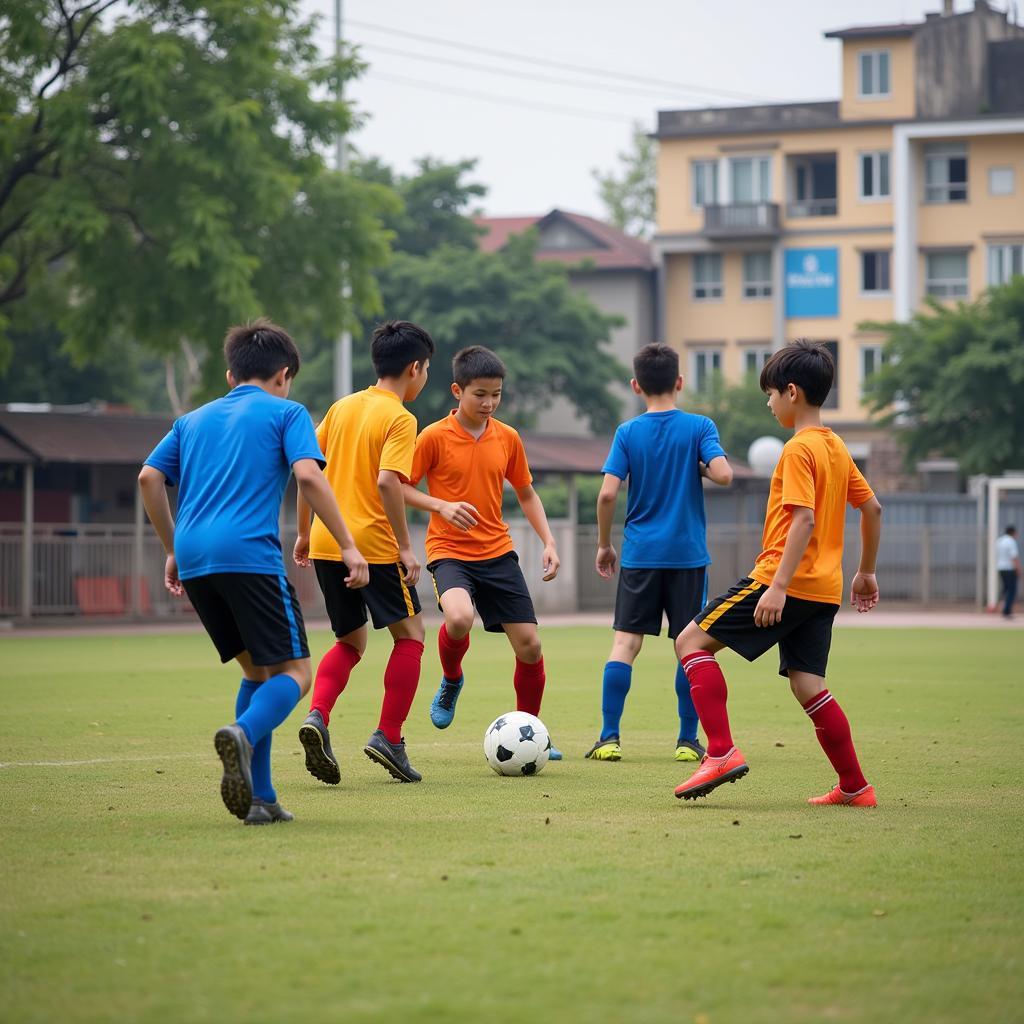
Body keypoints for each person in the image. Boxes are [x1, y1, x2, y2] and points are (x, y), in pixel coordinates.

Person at [139, 319, 369, 825]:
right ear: (285, 373)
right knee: (295, 675)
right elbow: (309, 474)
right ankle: (241, 733)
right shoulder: (288, 413)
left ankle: (261, 797)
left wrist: (172, 546)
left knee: (257, 671)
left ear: (230, 375)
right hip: (249, 556)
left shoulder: (191, 420)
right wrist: (349, 546)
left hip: (196, 558)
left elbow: (149, 478)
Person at [673, 339, 883, 807]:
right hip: (826, 589)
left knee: (689, 643)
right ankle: (855, 786)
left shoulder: (798, 450)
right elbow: (872, 508)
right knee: (808, 684)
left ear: (792, 392)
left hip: (781, 581)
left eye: (769, 394)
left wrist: (778, 587)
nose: (768, 404)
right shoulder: (836, 447)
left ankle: (721, 752)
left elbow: (803, 520)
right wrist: (865, 572)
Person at [401, 345, 562, 758]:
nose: (489, 403)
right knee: (459, 617)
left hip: (497, 552)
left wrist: (549, 541)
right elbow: (400, 487)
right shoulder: (432, 437)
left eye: (497, 394)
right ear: (458, 390)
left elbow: (526, 493)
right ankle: (452, 679)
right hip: (448, 550)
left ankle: (533, 731)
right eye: (480, 394)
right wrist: (440, 506)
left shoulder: (507, 437)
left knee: (530, 647)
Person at [295, 320, 433, 785]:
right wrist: (406, 548)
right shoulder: (400, 417)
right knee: (411, 636)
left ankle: (318, 716)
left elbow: (306, 469)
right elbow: (387, 481)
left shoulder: (342, 407)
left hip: (326, 541)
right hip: (371, 545)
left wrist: (301, 533)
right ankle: (389, 737)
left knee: (350, 642)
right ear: (415, 368)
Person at [584, 343, 732, 764]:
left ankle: (609, 737)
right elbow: (724, 474)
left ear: (636, 386)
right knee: (689, 646)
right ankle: (688, 741)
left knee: (626, 644)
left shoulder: (628, 433)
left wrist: (604, 544)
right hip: (687, 556)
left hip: (641, 555)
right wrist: (699, 465)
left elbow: (608, 492)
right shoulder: (700, 426)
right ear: (680, 382)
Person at [996, 525, 1020, 619]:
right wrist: (1018, 568)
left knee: (1005, 589)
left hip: (1000, 567)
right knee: (1011, 590)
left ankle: (1001, 605)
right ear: (1013, 533)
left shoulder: (999, 541)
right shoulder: (1011, 541)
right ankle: (1007, 611)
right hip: (1010, 569)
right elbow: (1014, 556)